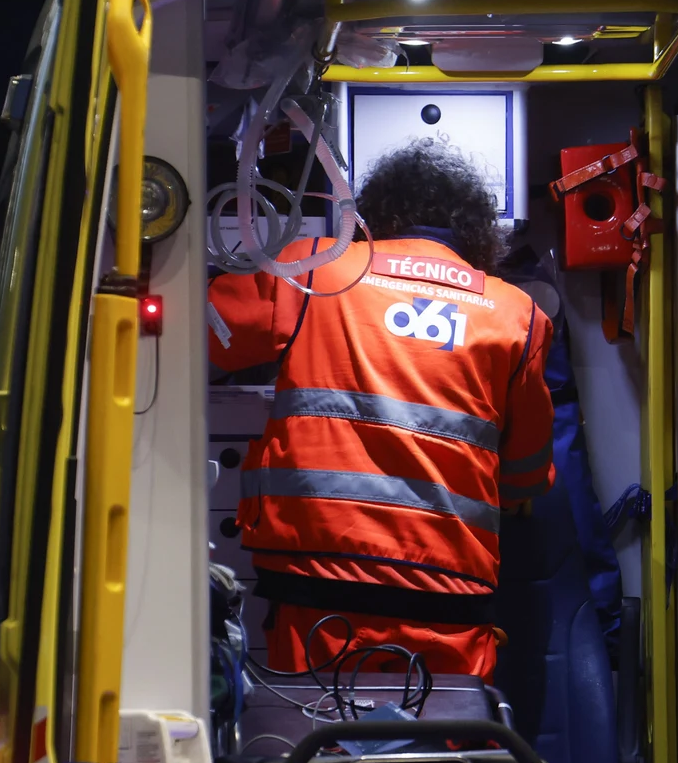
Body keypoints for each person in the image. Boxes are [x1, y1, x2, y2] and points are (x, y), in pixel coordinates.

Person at [207, 138, 554, 682]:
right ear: (478, 230)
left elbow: (199, 334)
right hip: (449, 594)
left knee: (316, 741)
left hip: (318, 580)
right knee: (446, 749)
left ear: (375, 213)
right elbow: (527, 476)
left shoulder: (316, 268)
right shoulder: (518, 316)